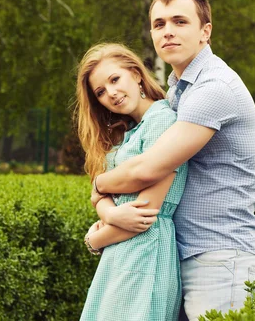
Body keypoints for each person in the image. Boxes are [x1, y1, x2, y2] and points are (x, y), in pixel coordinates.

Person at [90, 0, 255, 320]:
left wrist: (98, 187)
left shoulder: (214, 88)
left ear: (205, 31)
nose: (168, 31)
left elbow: (148, 169)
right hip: (182, 253)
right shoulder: (179, 92)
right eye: (159, 24)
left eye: (180, 22)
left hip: (219, 256)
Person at [76, 43, 188, 321]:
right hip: (119, 256)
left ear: (136, 75)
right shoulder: (126, 132)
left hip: (145, 251)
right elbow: (98, 194)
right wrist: (112, 213)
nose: (111, 93)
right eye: (100, 92)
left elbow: (144, 214)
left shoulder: (163, 122)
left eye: (115, 79)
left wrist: (94, 239)